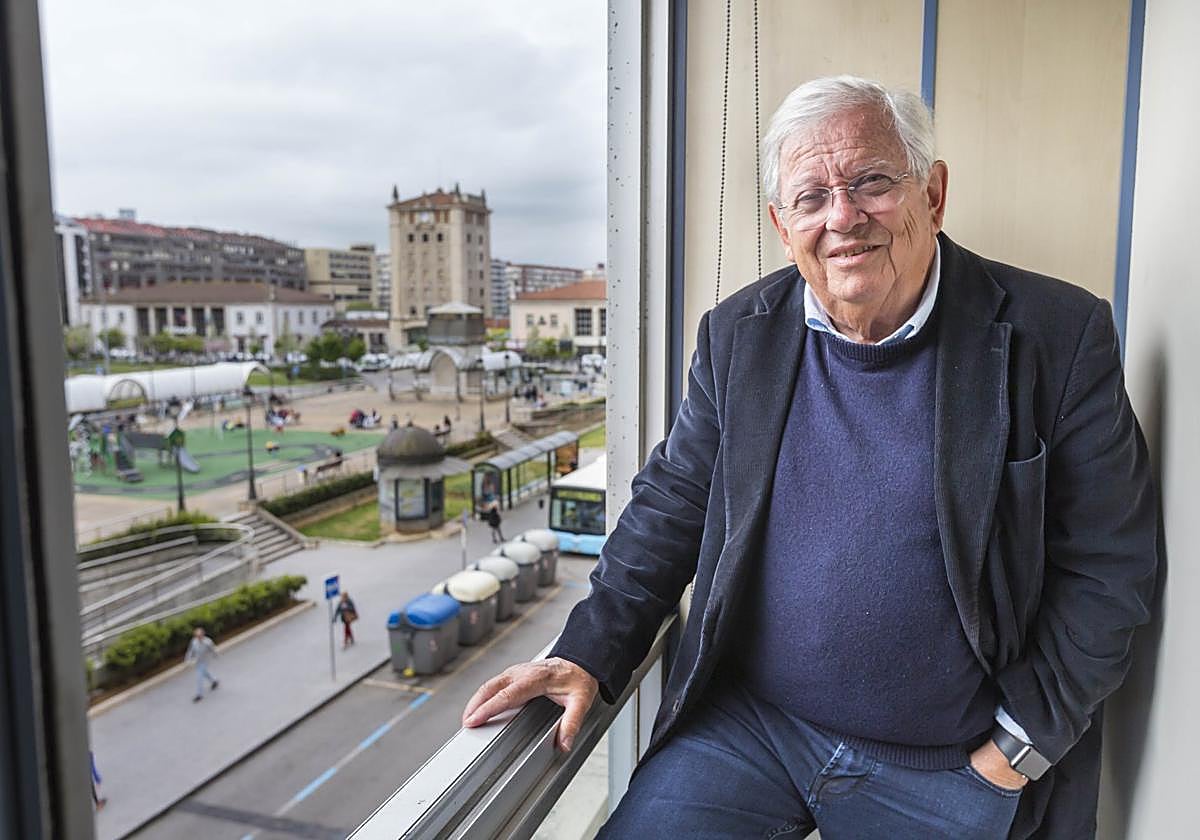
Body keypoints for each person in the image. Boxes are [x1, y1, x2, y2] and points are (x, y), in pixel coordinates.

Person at [463, 76, 1158, 839]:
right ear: (781, 223)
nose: (843, 217)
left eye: (871, 182)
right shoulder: (739, 337)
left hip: (951, 766)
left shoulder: (1057, 336)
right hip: (751, 731)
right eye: (811, 198)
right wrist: (587, 655)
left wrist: (1013, 751)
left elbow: (1109, 565)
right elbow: (671, 505)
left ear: (934, 192)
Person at [185, 627, 219, 702]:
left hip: (205, 661)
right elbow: (190, 651)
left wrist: (215, 655)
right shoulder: (194, 642)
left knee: (199, 677)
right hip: (198, 661)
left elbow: (213, 649)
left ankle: (199, 694)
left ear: (203, 635)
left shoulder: (208, 642)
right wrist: (187, 660)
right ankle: (214, 681)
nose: (198, 637)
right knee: (205, 673)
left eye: (199, 635)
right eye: (197, 636)